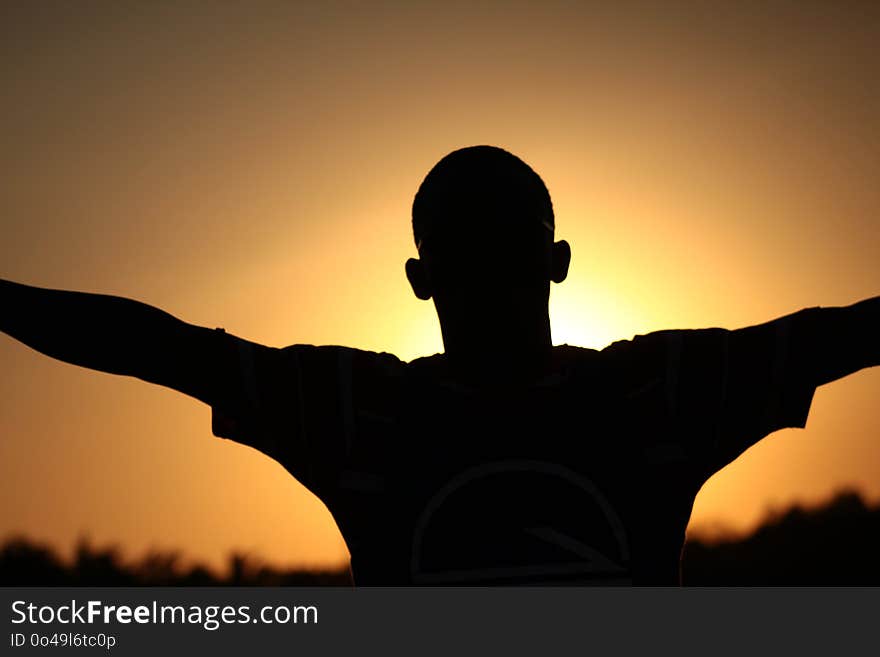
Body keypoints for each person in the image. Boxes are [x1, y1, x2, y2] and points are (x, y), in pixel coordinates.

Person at [2, 145, 877, 585]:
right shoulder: (656, 396)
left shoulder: (358, 411)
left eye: (496, 243)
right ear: (561, 259)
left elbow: (159, 346)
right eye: (478, 246)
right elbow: (843, 333)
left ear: (419, 280)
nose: (490, 270)